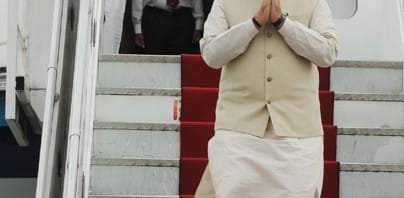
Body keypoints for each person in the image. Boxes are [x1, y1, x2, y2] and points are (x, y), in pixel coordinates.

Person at [195, 0, 338, 197]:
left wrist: (283, 23)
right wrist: (253, 24)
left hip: (298, 131)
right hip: (238, 130)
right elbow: (211, 54)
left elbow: (327, 54)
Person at [131, 0, 204, 54]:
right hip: (154, 19)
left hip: (183, 19)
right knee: (154, 60)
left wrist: (198, 24)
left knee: (182, 64)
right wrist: (137, 27)